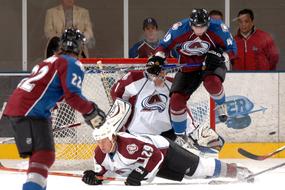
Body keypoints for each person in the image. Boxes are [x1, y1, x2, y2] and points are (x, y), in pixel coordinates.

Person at [3, 28, 106, 190]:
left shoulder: (49, 61)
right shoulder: (72, 63)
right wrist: (91, 111)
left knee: (41, 156)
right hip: (31, 111)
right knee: (43, 156)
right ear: (79, 48)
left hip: (19, 108)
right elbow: (72, 96)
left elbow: (45, 90)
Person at [149, 8, 237, 141]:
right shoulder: (179, 29)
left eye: (203, 27)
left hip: (211, 63)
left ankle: (221, 105)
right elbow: (163, 46)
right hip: (188, 66)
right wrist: (158, 57)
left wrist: (221, 56)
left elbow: (233, 50)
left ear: (209, 23)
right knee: (176, 100)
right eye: (196, 27)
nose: (200, 30)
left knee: (212, 82)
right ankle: (180, 138)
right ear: (190, 24)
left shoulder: (219, 28)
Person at [81, 122, 253, 186]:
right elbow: (102, 173)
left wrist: (141, 173)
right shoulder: (99, 154)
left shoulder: (129, 145)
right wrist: (95, 178)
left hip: (165, 151)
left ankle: (238, 171)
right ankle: (215, 175)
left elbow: (156, 155)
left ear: (112, 136)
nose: (101, 145)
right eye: (98, 141)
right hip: (152, 164)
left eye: (104, 140)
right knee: (189, 176)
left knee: (199, 168)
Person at [110, 58, 225, 153]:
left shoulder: (172, 84)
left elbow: (180, 108)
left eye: (163, 72)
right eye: (158, 73)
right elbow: (116, 94)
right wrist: (120, 118)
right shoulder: (135, 80)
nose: (162, 75)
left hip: (165, 137)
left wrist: (194, 129)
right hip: (136, 135)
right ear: (149, 73)